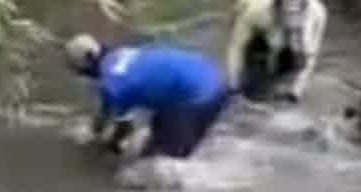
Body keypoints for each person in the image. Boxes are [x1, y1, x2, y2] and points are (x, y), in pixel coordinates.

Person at [63, 33, 233, 159]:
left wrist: (101, 151)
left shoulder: (114, 84)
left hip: (197, 98)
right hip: (216, 79)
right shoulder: (122, 54)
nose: (83, 76)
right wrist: (94, 130)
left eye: (80, 71)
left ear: (87, 63)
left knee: (155, 163)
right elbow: (107, 105)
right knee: (159, 126)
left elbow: (123, 130)